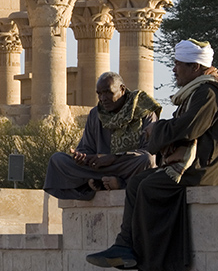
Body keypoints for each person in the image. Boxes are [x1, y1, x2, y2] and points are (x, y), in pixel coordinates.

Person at [86, 39, 218, 271]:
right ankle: (124, 246)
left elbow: (188, 128)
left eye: (178, 65)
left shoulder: (209, 92)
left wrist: (157, 129)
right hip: (197, 164)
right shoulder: (198, 91)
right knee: (136, 183)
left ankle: (152, 255)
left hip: (208, 168)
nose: (173, 70)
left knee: (150, 185)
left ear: (195, 67)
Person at [43, 72, 161, 200]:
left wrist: (113, 158)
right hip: (99, 168)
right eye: (99, 94)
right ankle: (103, 181)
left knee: (147, 160)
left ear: (122, 89)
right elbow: (86, 148)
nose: (103, 98)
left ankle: (115, 183)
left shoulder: (144, 111)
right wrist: (81, 157)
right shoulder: (95, 114)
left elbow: (150, 150)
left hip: (126, 165)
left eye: (108, 92)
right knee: (57, 160)